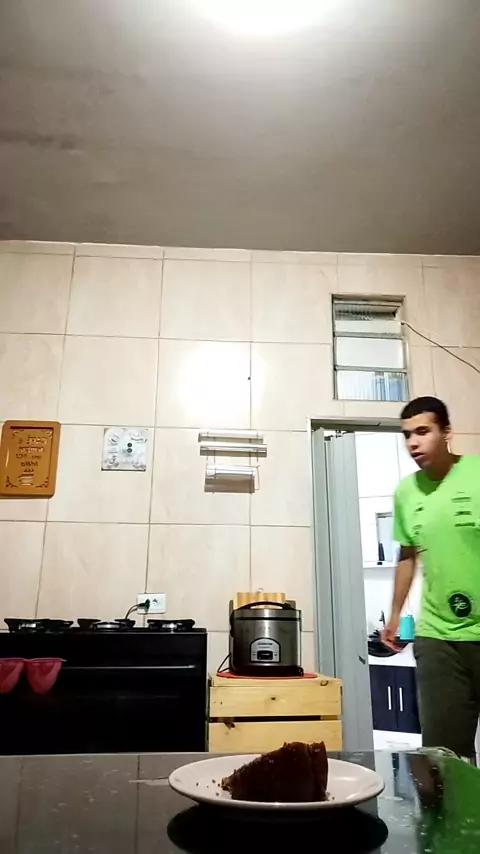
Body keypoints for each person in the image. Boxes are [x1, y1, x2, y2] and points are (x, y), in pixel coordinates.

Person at [382, 396, 480, 757]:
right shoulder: (406, 493)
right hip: (438, 637)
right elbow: (407, 554)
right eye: (407, 435)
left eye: (422, 431)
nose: (413, 443)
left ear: (446, 432)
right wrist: (395, 614)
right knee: (442, 756)